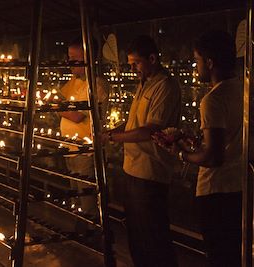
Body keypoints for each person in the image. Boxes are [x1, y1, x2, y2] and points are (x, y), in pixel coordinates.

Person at [103, 35, 181, 267]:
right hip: (133, 169)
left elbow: (149, 130)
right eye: (130, 64)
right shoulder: (143, 83)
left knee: (153, 236)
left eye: (136, 63)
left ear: (153, 58)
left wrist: (111, 137)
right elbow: (133, 124)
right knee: (137, 234)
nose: (132, 68)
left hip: (150, 172)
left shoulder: (165, 86)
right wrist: (113, 130)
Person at [174, 30, 242, 267]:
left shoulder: (212, 100)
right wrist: (197, 143)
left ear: (210, 62)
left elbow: (214, 157)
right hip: (241, 186)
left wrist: (182, 154)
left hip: (216, 190)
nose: (196, 66)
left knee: (218, 255)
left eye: (197, 60)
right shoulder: (244, 89)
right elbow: (229, 140)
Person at [59, 37, 109, 222]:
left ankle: (93, 236)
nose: (69, 62)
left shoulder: (96, 84)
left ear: (88, 58)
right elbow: (63, 104)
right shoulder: (75, 81)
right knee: (76, 197)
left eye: (74, 57)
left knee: (87, 199)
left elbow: (77, 115)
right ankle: (82, 232)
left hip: (85, 152)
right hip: (71, 149)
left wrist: (57, 107)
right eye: (69, 57)